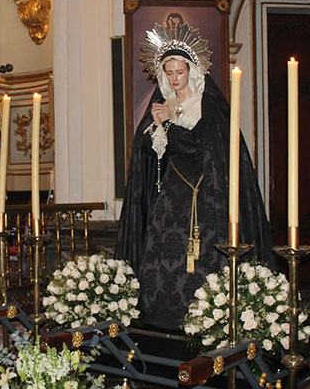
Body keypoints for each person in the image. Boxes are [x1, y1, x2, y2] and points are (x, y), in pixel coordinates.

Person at [115, 22, 275, 331]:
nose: (175, 79)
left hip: (204, 196)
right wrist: (157, 129)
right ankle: (164, 320)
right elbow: (148, 153)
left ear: (192, 70)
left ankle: (207, 319)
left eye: (180, 72)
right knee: (162, 258)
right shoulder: (163, 105)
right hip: (171, 199)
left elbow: (200, 146)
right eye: (169, 73)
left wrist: (170, 125)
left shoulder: (207, 106)